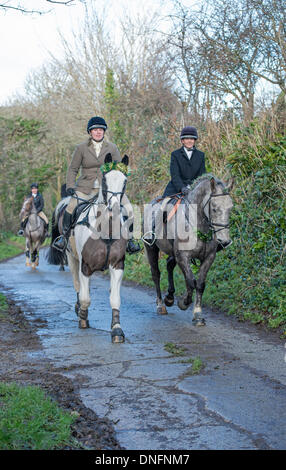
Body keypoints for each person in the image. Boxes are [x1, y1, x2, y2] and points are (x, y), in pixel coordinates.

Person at [53, 116, 140, 253]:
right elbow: (73, 169)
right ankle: (63, 238)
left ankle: (131, 241)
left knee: (130, 209)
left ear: (104, 132)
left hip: (110, 190)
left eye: (101, 130)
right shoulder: (81, 148)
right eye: (95, 130)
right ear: (90, 132)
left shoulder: (112, 147)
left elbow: (119, 169)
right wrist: (70, 186)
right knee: (70, 207)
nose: (98, 132)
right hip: (86, 188)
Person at [163, 126, 206, 197]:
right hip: (176, 188)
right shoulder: (175, 154)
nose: (189, 141)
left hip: (195, 188)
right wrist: (182, 188)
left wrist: (196, 187)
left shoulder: (201, 155)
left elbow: (202, 174)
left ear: (194, 140)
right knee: (165, 205)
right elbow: (175, 175)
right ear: (182, 141)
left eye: (192, 139)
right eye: (187, 139)